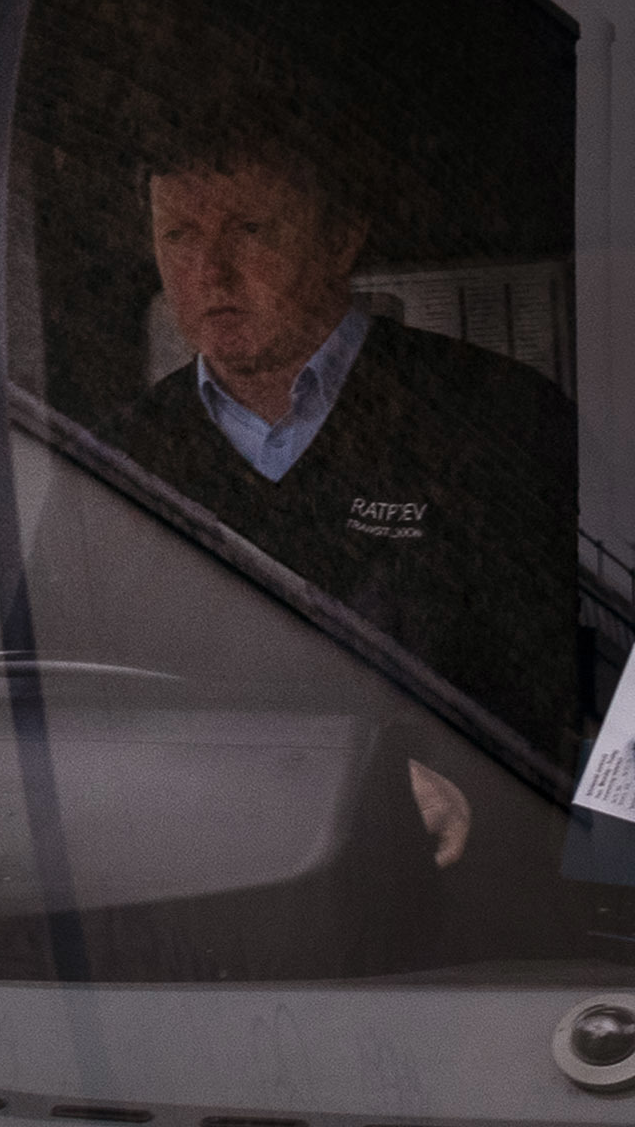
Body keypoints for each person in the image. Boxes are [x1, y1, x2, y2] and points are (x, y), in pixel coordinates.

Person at [127, 101, 581, 843]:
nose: (208, 270)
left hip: (443, 864)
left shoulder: (491, 418)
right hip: (188, 858)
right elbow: (67, 681)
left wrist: (429, 781)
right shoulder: (119, 454)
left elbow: (549, 684)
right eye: (178, 235)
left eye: (249, 229)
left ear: (339, 240)